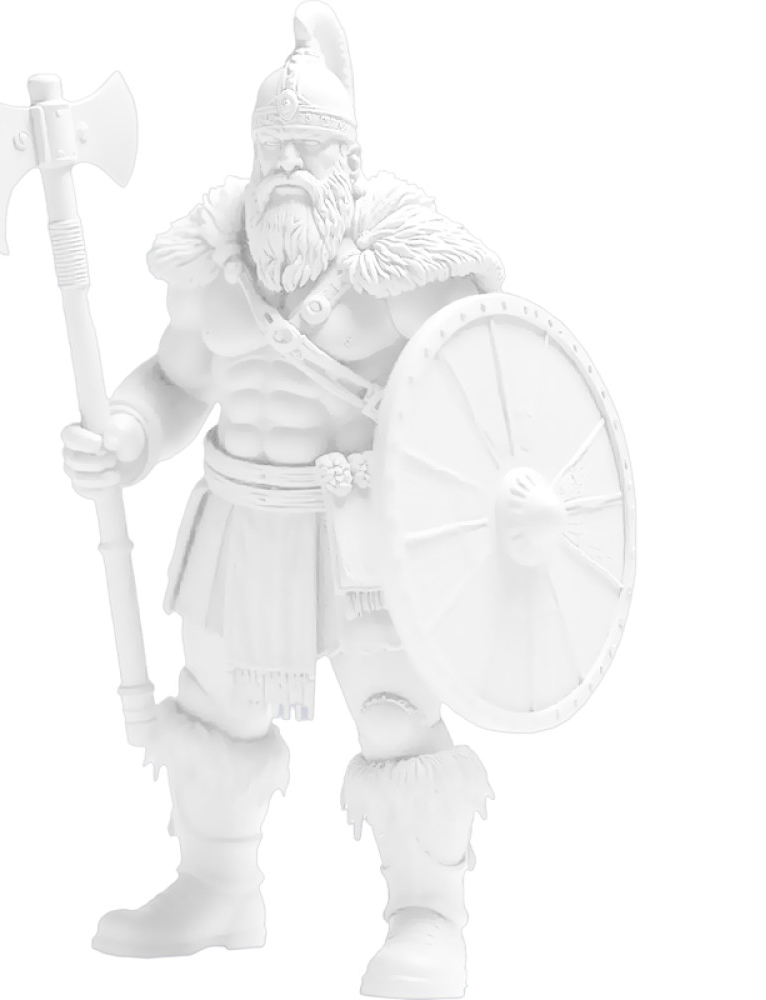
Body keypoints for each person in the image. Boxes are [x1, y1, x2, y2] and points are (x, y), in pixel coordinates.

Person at [63, 4, 502, 996]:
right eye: (274, 148)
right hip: (238, 522)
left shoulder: (403, 272)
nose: (290, 166)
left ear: (351, 158)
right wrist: (127, 433)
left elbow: (484, 385)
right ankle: (218, 888)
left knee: (393, 714)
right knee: (215, 702)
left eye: (311, 147)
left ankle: (428, 917)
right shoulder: (215, 266)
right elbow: (174, 381)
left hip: (358, 537)